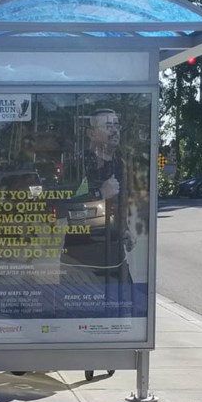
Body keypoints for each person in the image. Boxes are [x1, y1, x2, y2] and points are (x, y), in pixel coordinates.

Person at [60, 108, 136, 315]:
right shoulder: (78, 163)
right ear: (91, 133)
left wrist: (125, 229)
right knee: (83, 315)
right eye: (108, 126)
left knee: (126, 309)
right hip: (82, 255)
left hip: (113, 251)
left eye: (116, 125)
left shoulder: (119, 163)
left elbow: (120, 202)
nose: (115, 131)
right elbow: (64, 205)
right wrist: (99, 193)